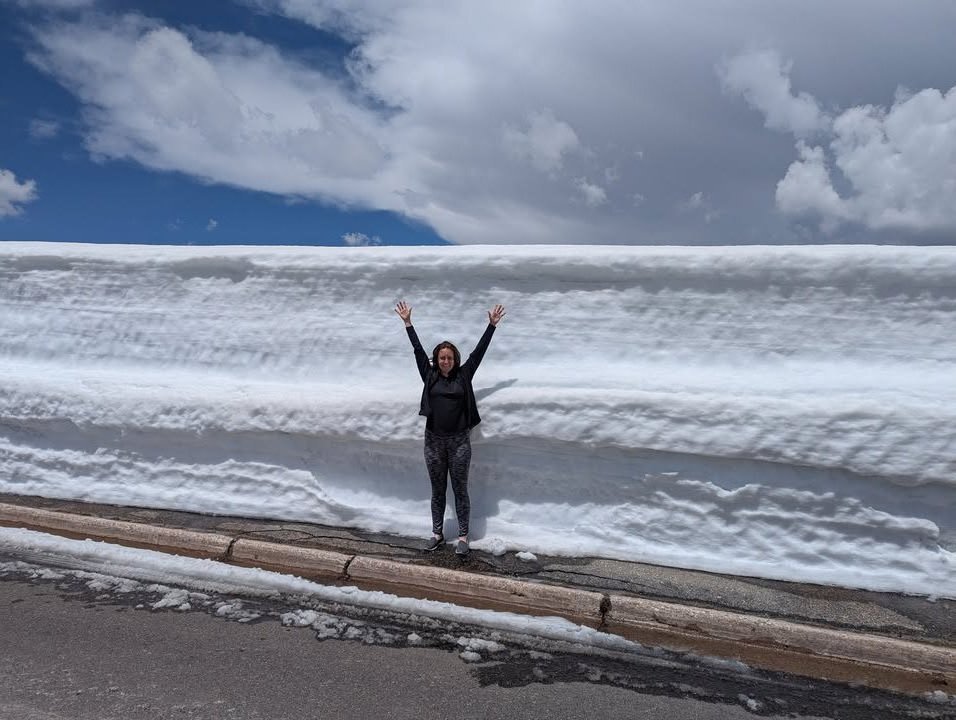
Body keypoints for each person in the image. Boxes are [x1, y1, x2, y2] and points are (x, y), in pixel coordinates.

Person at [395, 300, 506, 556]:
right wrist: (408, 323)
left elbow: (478, 353)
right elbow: (418, 350)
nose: (445, 361)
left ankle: (463, 537)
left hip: (458, 443)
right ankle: (437, 534)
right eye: (441, 358)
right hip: (433, 441)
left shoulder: (464, 375)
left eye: (449, 357)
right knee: (437, 491)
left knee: (459, 489)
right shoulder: (430, 375)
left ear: (455, 359)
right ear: (437, 360)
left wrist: (491, 326)